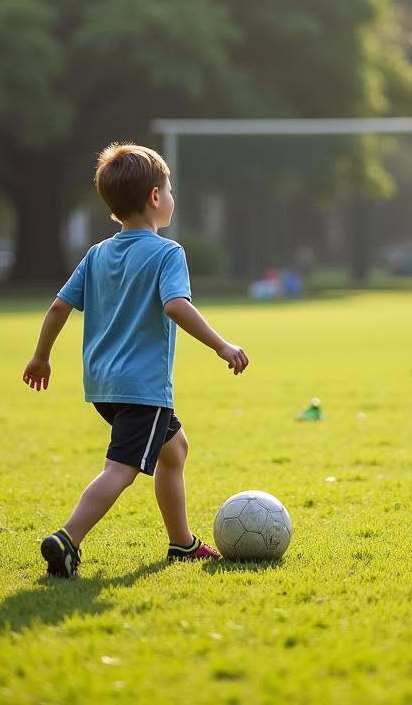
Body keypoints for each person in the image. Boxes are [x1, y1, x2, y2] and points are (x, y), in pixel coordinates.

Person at [22, 143, 250, 577]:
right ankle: (67, 539)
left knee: (174, 450)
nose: (171, 196)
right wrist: (222, 345)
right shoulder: (168, 253)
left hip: (103, 385)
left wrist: (41, 357)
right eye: (169, 187)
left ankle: (182, 543)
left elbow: (57, 307)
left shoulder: (96, 254)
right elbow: (176, 306)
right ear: (155, 198)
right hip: (142, 388)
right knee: (121, 469)